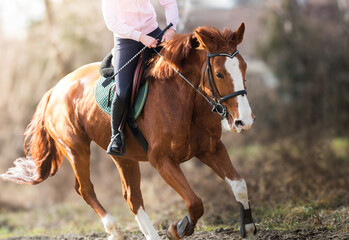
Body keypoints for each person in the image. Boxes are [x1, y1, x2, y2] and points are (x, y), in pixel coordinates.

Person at [102, 0, 178, 156]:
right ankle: (116, 135)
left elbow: (169, 2)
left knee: (179, 70)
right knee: (123, 90)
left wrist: (171, 29)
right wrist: (140, 37)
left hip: (154, 32)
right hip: (127, 39)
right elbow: (111, 22)